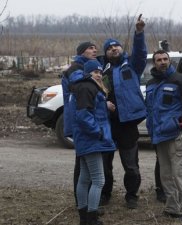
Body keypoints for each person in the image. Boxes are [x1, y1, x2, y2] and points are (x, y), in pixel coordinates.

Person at [99, 14, 147, 209]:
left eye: (115, 46)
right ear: (106, 53)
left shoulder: (132, 65)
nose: (113, 49)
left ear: (121, 48)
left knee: (131, 166)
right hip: (107, 125)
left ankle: (132, 196)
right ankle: (104, 194)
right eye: (109, 48)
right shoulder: (101, 70)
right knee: (104, 166)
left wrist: (139, 32)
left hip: (127, 123)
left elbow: (141, 52)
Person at [145, 49, 182, 221]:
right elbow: (150, 109)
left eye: (165, 59)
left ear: (170, 60)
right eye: (158, 59)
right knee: (165, 175)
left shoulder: (181, 80)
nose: (162, 61)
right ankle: (172, 207)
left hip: (175, 135)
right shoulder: (151, 83)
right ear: (154, 63)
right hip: (159, 136)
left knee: (179, 173)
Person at [70, 59, 116, 225]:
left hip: (85, 139)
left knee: (84, 178)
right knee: (98, 180)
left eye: (100, 72)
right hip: (91, 140)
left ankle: (84, 218)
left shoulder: (84, 87)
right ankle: (91, 218)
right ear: (87, 73)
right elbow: (83, 115)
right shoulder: (87, 87)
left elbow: (90, 110)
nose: (98, 74)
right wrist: (99, 132)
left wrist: (104, 105)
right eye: (95, 72)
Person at [61, 41, 97, 206]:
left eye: (95, 48)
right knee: (82, 164)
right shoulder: (75, 69)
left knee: (86, 164)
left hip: (82, 119)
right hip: (79, 120)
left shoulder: (84, 67)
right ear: (82, 52)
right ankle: (81, 202)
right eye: (91, 48)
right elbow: (82, 89)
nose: (94, 50)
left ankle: (87, 201)